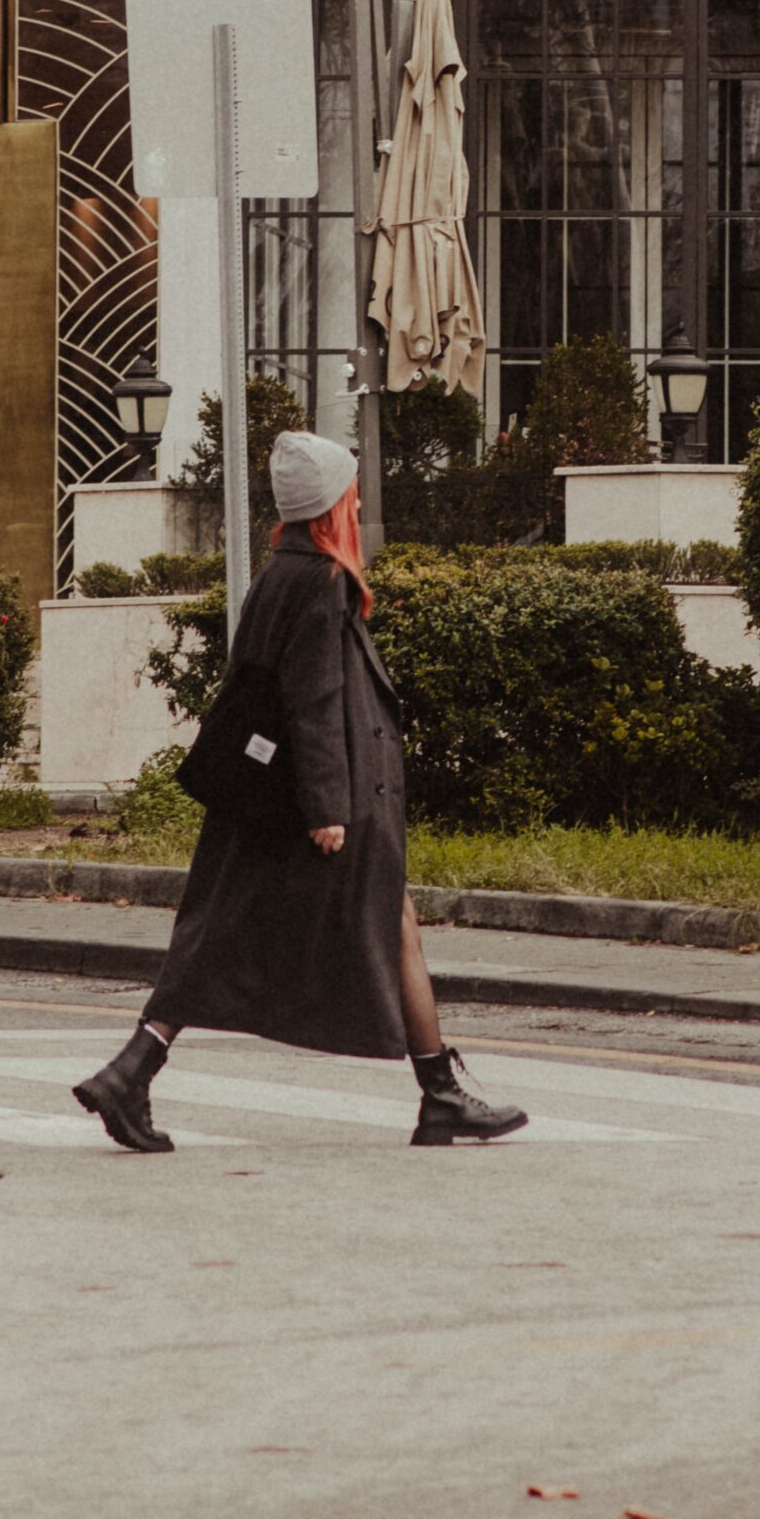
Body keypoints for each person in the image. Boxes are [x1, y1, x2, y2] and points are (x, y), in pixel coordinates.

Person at [75, 430, 529, 1154]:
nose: (357, 501)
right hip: (322, 800)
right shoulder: (320, 579)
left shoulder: (277, 572)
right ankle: (439, 1093)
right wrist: (327, 809)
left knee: (232, 931)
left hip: (265, 796)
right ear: (333, 507)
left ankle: (133, 1072)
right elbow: (311, 699)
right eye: (351, 492)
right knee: (304, 926)